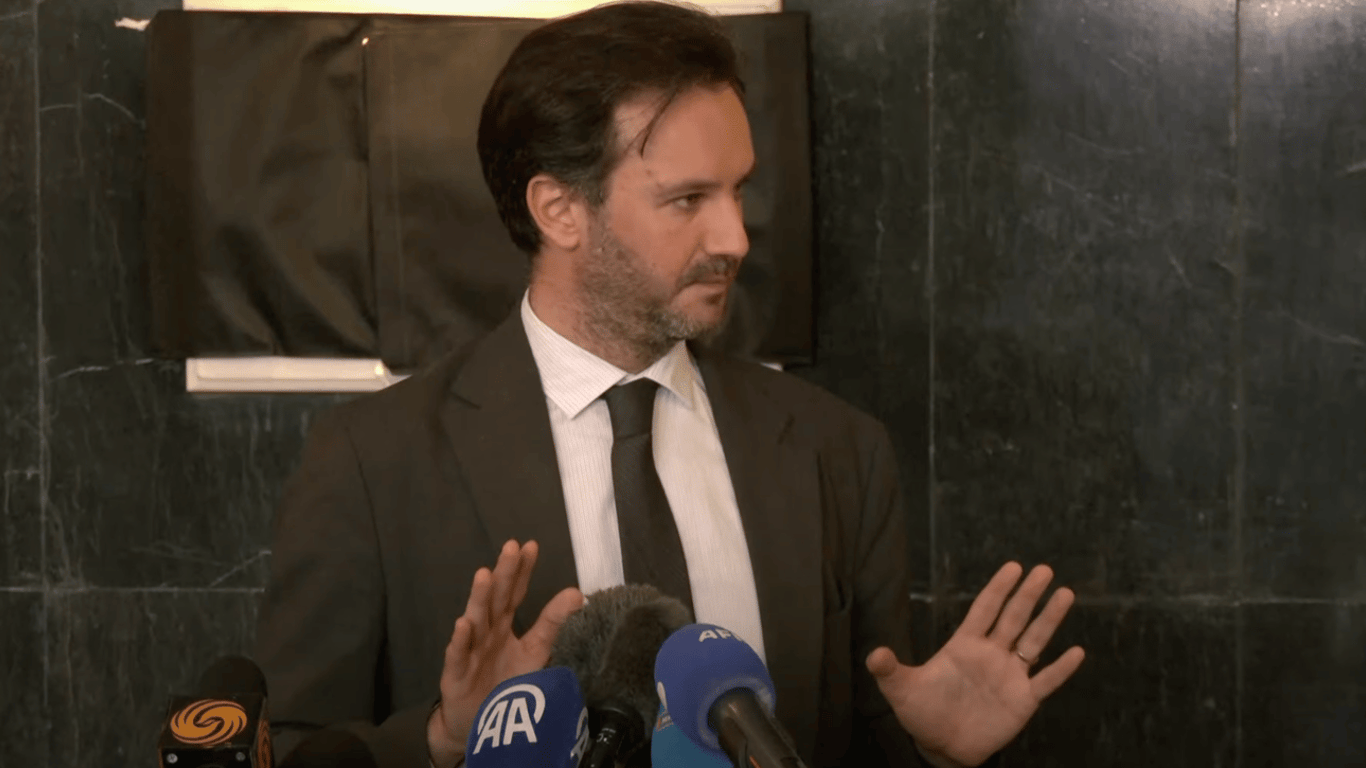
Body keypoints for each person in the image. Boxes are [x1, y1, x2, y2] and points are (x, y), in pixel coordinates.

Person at [253, 3, 1085, 767]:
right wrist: (443, 738)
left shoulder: (838, 453)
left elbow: (858, 743)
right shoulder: (372, 463)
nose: (734, 237)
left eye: (738, 190)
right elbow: (285, 749)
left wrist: (930, 754)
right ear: (559, 210)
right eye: (688, 199)